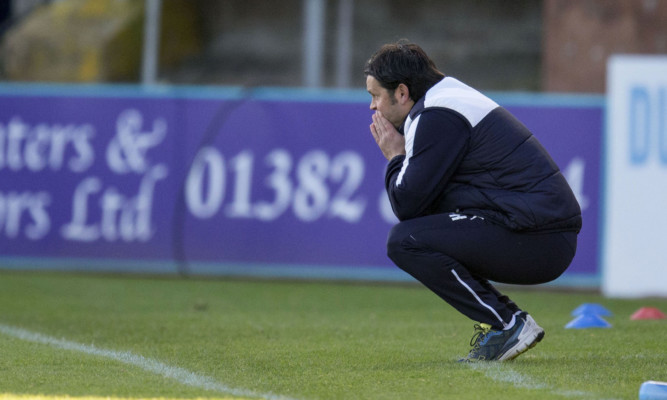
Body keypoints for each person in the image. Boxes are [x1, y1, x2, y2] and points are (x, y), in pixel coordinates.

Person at [364, 40, 581, 362]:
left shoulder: (437, 114)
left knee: (405, 240)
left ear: (401, 92)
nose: (372, 107)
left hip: (539, 237)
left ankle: (508, 324)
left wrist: (395, 156)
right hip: (542, 232)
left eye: (375, 95)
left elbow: (406, 204)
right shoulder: (445, 99)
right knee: (424, 230)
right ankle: (509, 323)